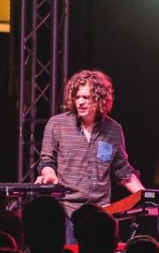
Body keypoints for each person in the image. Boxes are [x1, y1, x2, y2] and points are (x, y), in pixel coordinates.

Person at [35, 69, 144, 218]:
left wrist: (147, 197)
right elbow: (47, 161)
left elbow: (123, 171)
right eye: (77, 97)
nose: (80, 102)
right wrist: (49, 175)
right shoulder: (57, 124)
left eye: (86, 97)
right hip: (67, 211)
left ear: (100, 98)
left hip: (101, 212)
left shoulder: (113, 130)